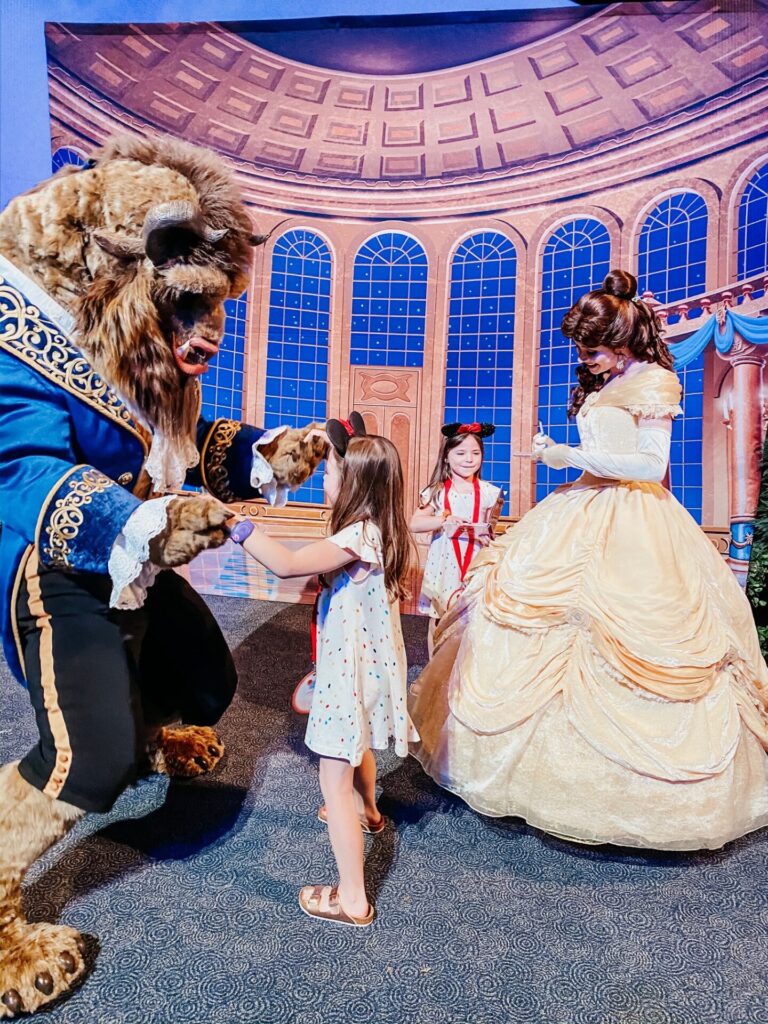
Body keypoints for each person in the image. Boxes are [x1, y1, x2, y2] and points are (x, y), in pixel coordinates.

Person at [409, 269, 768, 851]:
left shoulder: (653, 381)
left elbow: (651, 466)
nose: (587, 359)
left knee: (625, 634)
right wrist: (565, 455)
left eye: (593, 349)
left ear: (624, 341)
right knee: (530, 620)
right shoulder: (606, 383)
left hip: (635, 521)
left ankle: (634, 795)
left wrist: (569, 452)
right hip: (579, 508)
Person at [230, 413, 418, 923]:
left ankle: (351, 899)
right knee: (354, 749)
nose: (325, 478)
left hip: (348, 672)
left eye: (331, 471)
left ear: (354, 483)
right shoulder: (382, 529)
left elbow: (287, 564)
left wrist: (233, 525)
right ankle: (371, 812)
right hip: (369, 669)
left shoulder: (357, 534)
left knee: (331, 783)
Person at [410, 423, 503, 658]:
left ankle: (465, 672)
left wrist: (487, 536)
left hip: (476, 561)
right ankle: (433, 673)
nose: (469, 459)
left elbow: (491, 530)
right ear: (447, 457)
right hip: (445, 562)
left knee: (474, 620)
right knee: (439, 618)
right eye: (460, 453)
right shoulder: (437, 491)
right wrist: (444, 518)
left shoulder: (491, 492)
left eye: (475, 453)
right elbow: (415, 523)